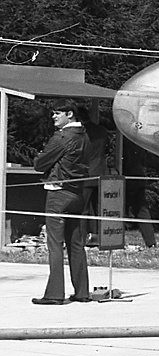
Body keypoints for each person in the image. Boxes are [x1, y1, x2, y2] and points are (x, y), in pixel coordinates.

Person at [32, 100, 92, 305]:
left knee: (55, 244)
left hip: (58, 193)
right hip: (78, 193)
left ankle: (54, 294)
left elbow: (40, 164)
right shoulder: (84, 136)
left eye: (57, 113)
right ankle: (82, 291)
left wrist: (41, 158)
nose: (53, 117)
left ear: (70, 114)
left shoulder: (62, 137)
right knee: (76, 243)